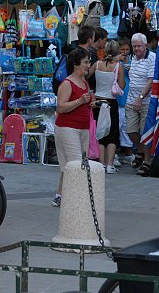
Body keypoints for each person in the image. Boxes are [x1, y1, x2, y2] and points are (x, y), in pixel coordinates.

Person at [51, 47, 95, 207]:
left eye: (88, 62)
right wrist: (79, 101)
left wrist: (93, 102)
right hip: (67, 128)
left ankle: (60, 195)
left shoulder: (84, 81)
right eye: (85, 62)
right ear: (76, 64)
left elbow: (87, 102)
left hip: (83, 127)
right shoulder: (67, 83)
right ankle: (75, 197)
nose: (88, 65)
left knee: (71, 164)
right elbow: (61, 107)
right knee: (76, 164)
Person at [125, 31, 157, 175]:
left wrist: (141, 97)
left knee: (145, 131)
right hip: (131, 99)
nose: (136, 49)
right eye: (134, 46)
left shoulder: (152, 57)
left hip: (146, 99)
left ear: (145, 45)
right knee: (131, 130)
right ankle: (141, 151)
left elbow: (151, 80)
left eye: (139, 46)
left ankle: (147, 160)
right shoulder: (132, 57)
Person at [93, 40, 125, 173]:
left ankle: (101, 164)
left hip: (98, 101)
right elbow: (122, 85)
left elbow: (88, 75)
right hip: (111, 102)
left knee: (100, 134)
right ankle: (110, 165)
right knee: (112, 134)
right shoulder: (118, 66)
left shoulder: (97, 64)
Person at [116, 37, 134, 166]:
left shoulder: (133, 60)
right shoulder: (115, 61)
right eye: (122, 49)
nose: (125, 52)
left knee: (127, 127)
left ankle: (129, 153)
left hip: (129, 95)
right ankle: (115, 153)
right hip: (118, 97)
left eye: (127, 49)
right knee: (117, 126)